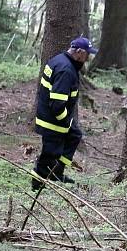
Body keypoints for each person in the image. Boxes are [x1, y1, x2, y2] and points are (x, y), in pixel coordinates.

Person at [31, 36, 98, 189]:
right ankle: (37, 184)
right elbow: (57, 105)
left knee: (75, 136)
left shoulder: (60, 60)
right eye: (87, 54)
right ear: (79, 52)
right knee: (49, 154)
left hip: (53, 116)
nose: (87, 58)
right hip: (52, 120)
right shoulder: (66, 70)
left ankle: (56, 172)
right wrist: (65, 121)